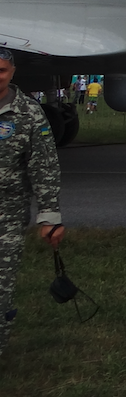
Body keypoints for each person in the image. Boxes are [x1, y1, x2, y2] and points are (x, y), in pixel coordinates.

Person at [0, 47, 66, 357]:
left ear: (12, 73)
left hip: (7, 214)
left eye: (1, 70)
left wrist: (49, 217)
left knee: (2, 288)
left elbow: (44, 165)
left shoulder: (28, 113)